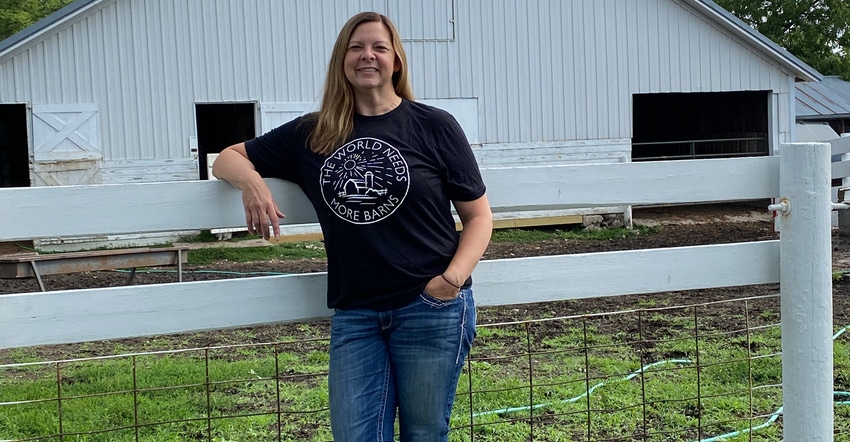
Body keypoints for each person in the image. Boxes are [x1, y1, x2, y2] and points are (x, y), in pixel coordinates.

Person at [212, 11, 492, 442]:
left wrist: (450, 281)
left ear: (395, 60)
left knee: (424, 433)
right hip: (356, 314)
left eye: (379, 47)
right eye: (356, 46)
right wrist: (250, 181)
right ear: (342, 59)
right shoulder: (315, 132)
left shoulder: (433, 125)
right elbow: (226, 157)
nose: (368, 56)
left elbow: (478, 216)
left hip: (430, 306)